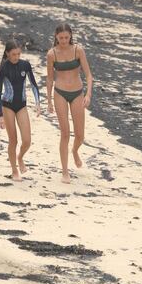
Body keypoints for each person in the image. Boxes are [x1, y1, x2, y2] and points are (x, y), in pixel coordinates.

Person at [46, 22, 93, 183]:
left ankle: (75, 151)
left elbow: (88, 75)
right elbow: (50, 78)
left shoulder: (78, 50)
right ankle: (65, 172)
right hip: (59, 93)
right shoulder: (52, 54)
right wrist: (49, 100)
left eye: (66, 37)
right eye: (61, 38)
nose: (64, 40)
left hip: (77, 93)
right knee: (65, 133)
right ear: (56, 37)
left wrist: (88, 94)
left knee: (80, 135)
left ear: (70, 36)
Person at [0, 39, 40, 181]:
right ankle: (14, 170)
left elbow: (33, 84)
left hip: (21, 106)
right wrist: (0, 115)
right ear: (7, 53)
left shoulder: (25, 65)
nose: (16, 57)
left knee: (27, 140)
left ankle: (20, 158)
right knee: (13, 140)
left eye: (18, 54)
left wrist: (38, 103)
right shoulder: (3, 68)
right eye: (13, 54)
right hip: (7, 106)